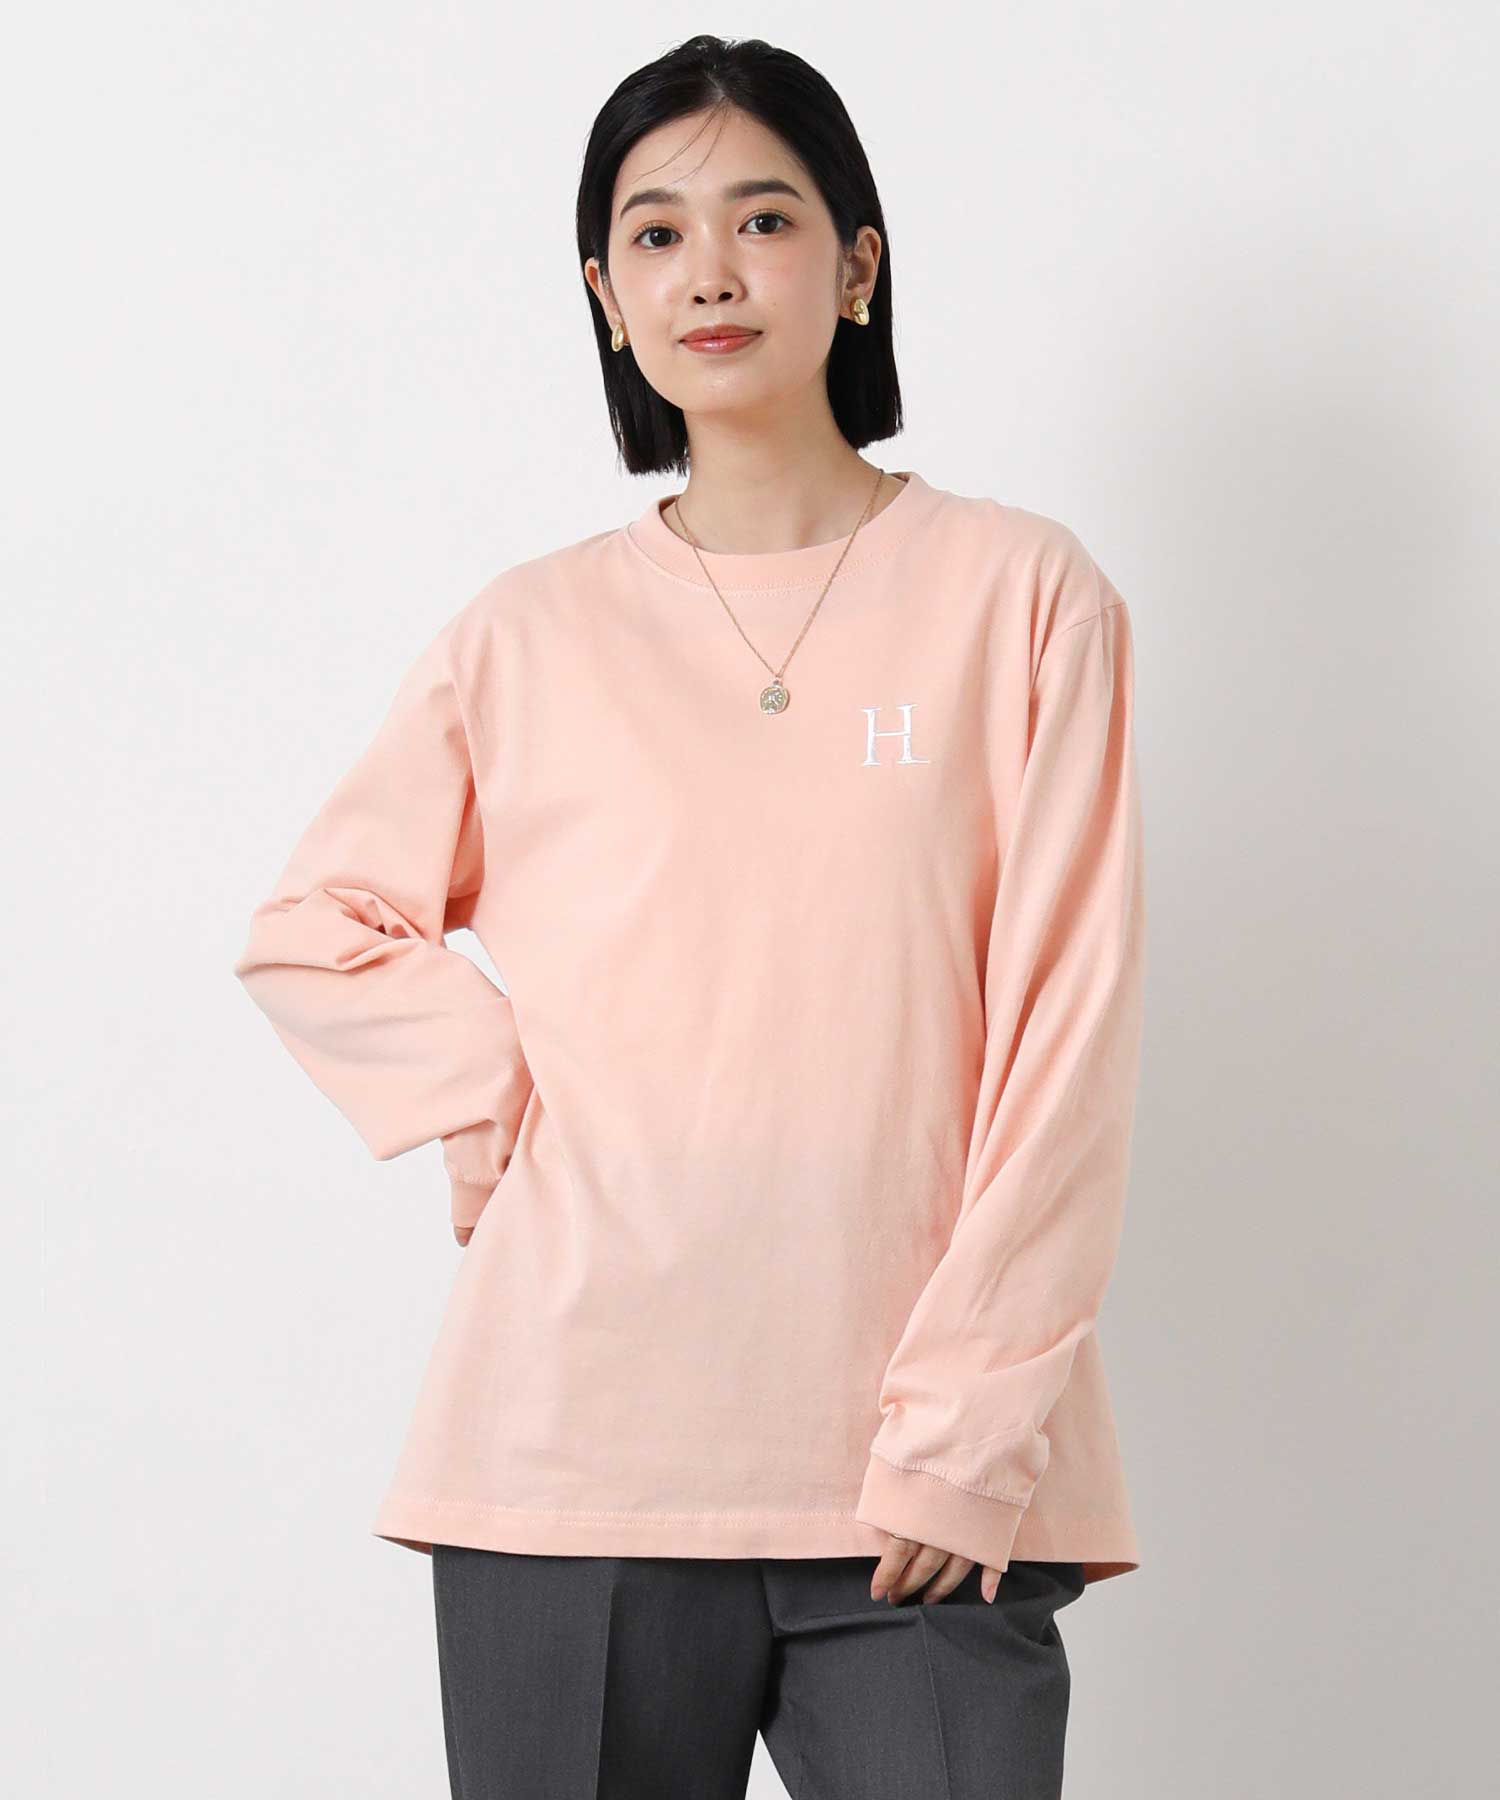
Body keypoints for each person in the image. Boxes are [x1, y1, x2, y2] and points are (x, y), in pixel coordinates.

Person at [232, 32, 1148, 1800]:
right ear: (606, 295)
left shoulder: (1023, 598)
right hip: (567, 1457)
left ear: (857, 265)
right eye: (653, 235)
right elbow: (316, 923)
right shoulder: (528, 634)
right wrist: (490, 1093)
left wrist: (966, 1431)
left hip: (922, 1485)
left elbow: (1069, 1035)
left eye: (764, 219)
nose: (709, 271)